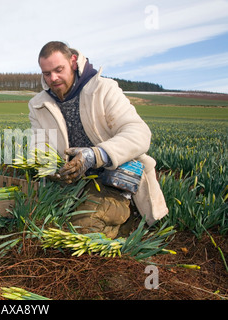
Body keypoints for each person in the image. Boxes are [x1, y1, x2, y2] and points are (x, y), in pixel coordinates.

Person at [28, 41, 168, 238]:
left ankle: (130, 221)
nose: (53, 78)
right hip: (71, 186)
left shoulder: (103, 90)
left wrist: (95, 155)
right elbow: (39, 146)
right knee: (41, 223)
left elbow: (139, 133)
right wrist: (49, 168)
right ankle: (115, 224)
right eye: (46, 73)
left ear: (73, 62)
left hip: (114, 182)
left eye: (59, 70)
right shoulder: (38, 105)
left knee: (81, 230)